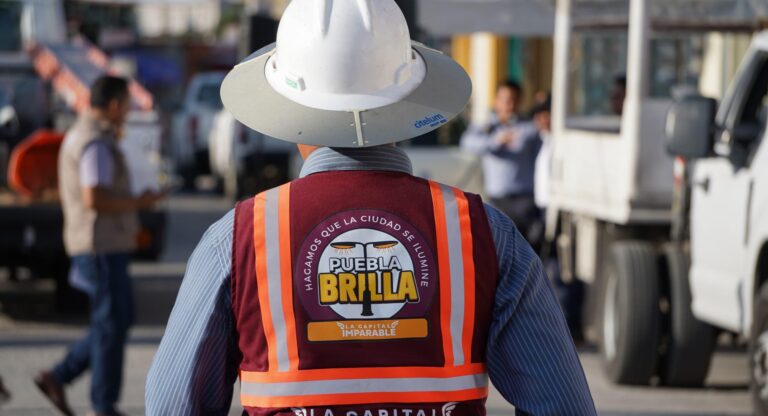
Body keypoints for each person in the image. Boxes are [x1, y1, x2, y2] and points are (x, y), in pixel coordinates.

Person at [146, 1, 596, 415]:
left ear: (289, 103)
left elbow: (172, 406)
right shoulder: (485, 233)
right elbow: (563, 406)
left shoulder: (238, 238)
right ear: (404, 97)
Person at [35, 75, 164, 416]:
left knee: (115, 320)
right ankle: (101, 405)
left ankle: (59, 377)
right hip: (99, 245)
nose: (128, 112)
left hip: (100, 243)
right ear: (112, 105)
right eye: (126, 104)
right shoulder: (94, 142)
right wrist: (139, 202)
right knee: (111, 323)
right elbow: (95, 197)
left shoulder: (89, 136)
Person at [460, 80, 543, 248]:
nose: (509, 105)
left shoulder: (528, 127)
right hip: (498, 200)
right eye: (505, 99)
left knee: (526, 249)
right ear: (496, 101)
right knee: (499, 248)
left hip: (524, 201)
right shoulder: (487, 126)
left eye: (513, 100)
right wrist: (495, 141)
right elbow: (467, 142)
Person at [530, 96, 584, 341]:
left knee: (564, 268)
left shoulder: (564, 144)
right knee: (550, 266)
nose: (543, 119)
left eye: (547, 114)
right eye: (539, 115)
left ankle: (570, 323)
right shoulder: (542, 141)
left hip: (561, 209)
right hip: (542, 210)